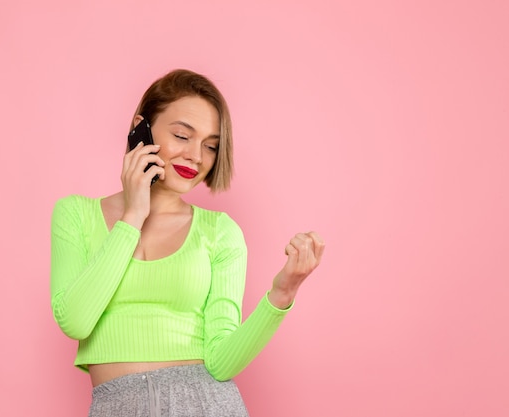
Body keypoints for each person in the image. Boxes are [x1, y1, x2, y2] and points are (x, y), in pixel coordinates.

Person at [50, 69, 325, 417]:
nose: (196, 155)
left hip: (205, 403)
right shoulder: (76, 214)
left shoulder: (220, 232)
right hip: (115, 405)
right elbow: (75, 321)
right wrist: (133, 215)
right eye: (182, 135)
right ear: (141, 128)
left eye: (210, 146)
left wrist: (283, 293)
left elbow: (222, 362)